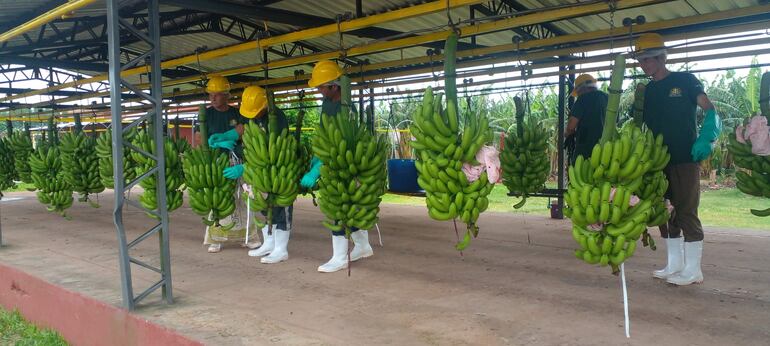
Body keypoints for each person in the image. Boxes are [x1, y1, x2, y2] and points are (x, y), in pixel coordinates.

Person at [635, 33, 721, 286]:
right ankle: (674, 264)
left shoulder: (684, 80)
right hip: (656, 160)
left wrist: (708, 136)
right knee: (664, 213)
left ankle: (693, 270)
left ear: (662, 58)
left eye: (649, 59)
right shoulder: (647, 91)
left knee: (686, 210)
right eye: (641, 60)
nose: (644, 64)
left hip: (684, 156)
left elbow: (709, 108)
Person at [302, 60, 374, 273]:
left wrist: (321, 164)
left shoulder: (346, 106)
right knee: (347, 206)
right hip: (330, 158)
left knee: (340, 206)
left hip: (346, 162)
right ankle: (363, 246)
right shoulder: (327, 103)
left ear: (334, 86)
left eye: (321, 87)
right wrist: (318, 156)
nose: (319, 91)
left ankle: (340, 257)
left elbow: (343, 142)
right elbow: (326, 133)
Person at [200, 76, 262, 253]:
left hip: (237, 160)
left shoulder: (236, 113)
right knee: (219, 198)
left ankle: (249, 237)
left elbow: (244, 129)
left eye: (217, 94)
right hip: (215, 161)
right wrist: (212, 144)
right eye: (211, 94)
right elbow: (199, 137)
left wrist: (230, 136)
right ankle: (216, 238)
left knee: (245, 198)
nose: (213, 98)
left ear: (226, 95)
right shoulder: (206, 114)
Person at [234, 85, 294, 264]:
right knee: (266, 207)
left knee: (281, 211)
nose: (254, 115)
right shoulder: (253, 120)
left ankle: (281, 250)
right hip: (261, 170)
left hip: (280, 169)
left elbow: (278, 145)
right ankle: (269, 244)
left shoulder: (276, 117)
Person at [565, 74, 607, 166]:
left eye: (577, 92)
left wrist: (567, 134)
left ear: (582, 88)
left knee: (580, 171)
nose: (578, 94)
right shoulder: (608, 98)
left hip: (586, 148)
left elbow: (571, 126)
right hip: (607, 147)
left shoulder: (583, 99)